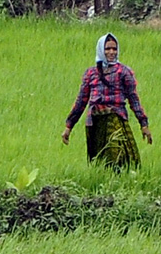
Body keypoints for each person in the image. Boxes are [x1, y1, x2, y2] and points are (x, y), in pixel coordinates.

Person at [62, 33, 152, 169]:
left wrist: (143, 124)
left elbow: (134, 100)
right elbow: (81, 102)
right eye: (107, 49)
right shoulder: (91, 74)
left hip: (115, 118)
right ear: (100, 50)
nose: (111, 52)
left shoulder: (124, 72)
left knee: (119, 158)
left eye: (114, 49)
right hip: (95, 121)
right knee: (98, 161)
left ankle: (121, 185)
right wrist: (69, 127)